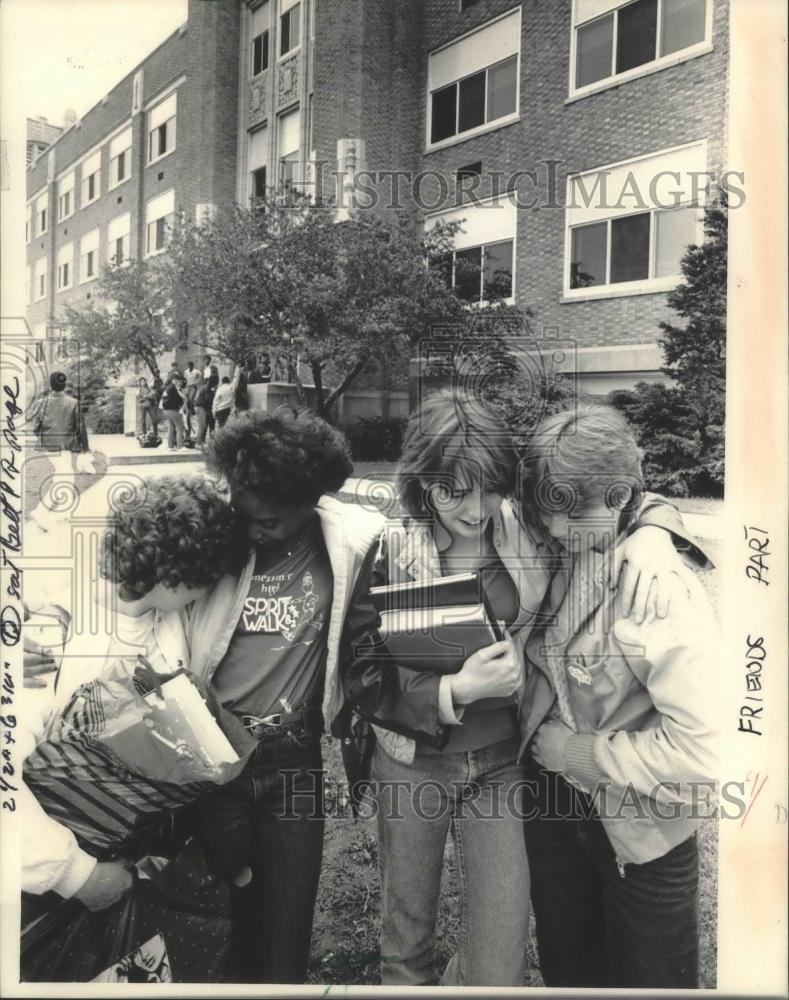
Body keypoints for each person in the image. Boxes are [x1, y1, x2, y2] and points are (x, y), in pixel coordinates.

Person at [338, 390, 709, 988]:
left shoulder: (525, 530)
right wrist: (454, 689)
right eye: (449, 490)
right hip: (413, 764)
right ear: (421, 482)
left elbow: (616, 489)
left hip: (504, 763)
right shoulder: (392, 547)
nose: (472, 507)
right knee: (407, 937)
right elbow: (361, 671)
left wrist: (659, 530)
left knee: (500, 950)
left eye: (487, 486)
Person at [181, 408, 383, 983]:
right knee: (215, 924)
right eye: (244, 514)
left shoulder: (351, 541)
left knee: (285, 931)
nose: (253, 530)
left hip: (295, 762)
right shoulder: (213, 538)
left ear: (310, 503)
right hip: (212, 757)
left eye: (268, 521)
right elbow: (135, 593)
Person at [522, 405, 718, 990]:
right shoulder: (564, 539)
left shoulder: (656, 590)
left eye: (571, 516)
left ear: (618, 498)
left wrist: (576, 754)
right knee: (569, 972)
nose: (554, 531)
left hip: (642, 833)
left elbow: (707, 754)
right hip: (556, 815)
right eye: (545, 511)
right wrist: (660, 520)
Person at [20, 475, 248, 912]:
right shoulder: (49, 639)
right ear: (179, 577)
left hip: (137, 853)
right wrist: (76, 876)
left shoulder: (169, 624)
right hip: (49, 872)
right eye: (211, 576)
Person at [31, 371, 80, 475]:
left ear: (51, 384)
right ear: (64, 384)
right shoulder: (74, 402)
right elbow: (79, 427)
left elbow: (35, 427)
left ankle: (60, 491)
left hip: (48, 444)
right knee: (66, 472)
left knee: (64, 471)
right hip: (67, 444)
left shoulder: (41, 403)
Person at [161, 375, 187, 450]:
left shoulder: (167, 388)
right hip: (173, 410)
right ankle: (180, 446)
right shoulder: (172, 388)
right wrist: (182, 402)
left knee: (171, 428)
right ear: (173, 380)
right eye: (177, 380)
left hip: (166, 411)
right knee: (180, 427)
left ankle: (170, 446)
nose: (178, 382)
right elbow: (178, 399)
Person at [194, 379, 212, 448]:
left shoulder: (202, 388)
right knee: (202, 426)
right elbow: (208, 399)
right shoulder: (206, 388)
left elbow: (195, 400)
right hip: (200, 407)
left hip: (198, 407)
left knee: (202, 426)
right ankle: (198, 443)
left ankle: (200, 442)